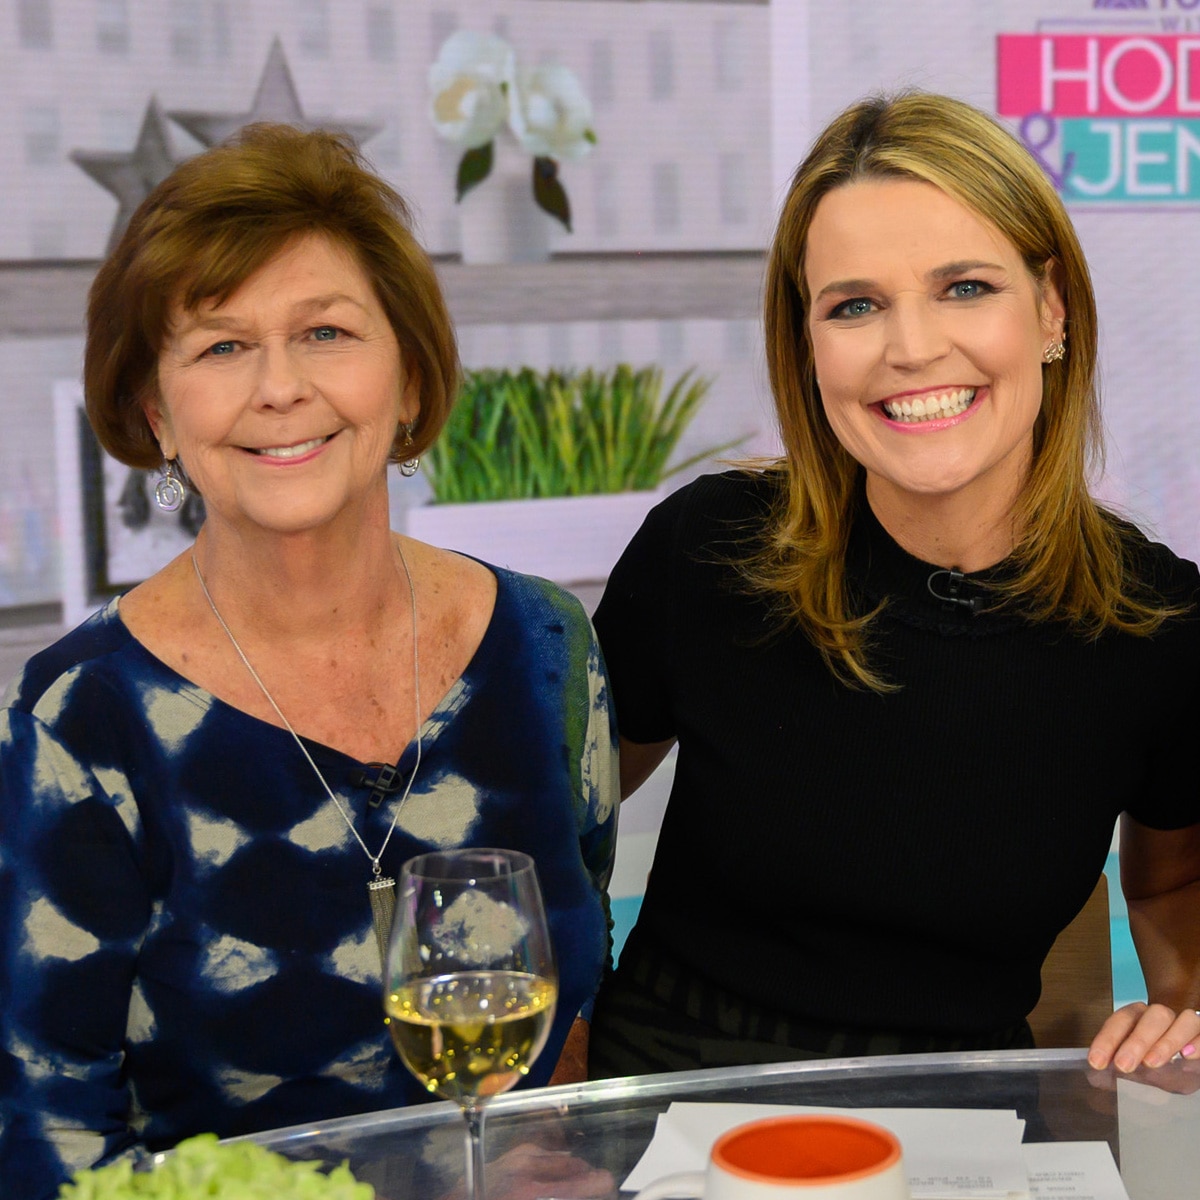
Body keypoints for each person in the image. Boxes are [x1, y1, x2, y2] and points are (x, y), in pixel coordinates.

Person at [0, 124, 618, 1199]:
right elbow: (47, 1140)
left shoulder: (546, 643)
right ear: (156, 414)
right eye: (221, 347)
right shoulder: (79, 715)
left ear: (409, 381)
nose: (280, 387)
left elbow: (576, 992)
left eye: (326, 331)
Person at [587, 92, 1200, 1079]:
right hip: (670, 1104)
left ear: (1050, 308)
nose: (911, 347)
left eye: (965, 287)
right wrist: (554, 1071)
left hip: (976, 1126)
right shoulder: (707, 551)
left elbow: (1173, 888)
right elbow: (548, 832)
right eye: (855, 305)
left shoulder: (1161, 626)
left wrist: (1181, 1016)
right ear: (809, 343)